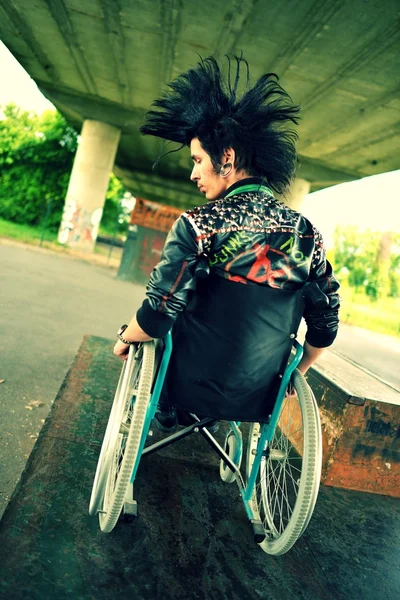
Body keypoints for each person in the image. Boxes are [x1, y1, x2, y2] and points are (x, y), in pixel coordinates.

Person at [113, 56, 340, 432]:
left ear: (228, 158)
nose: (193, 173)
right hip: (258, 393)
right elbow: (324, 325)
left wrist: (125, 337)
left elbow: (157, 315)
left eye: (198, 159)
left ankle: (169, 412)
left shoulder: (199, 225)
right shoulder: (308, 236)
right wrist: (294, 373)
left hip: (182, 383)